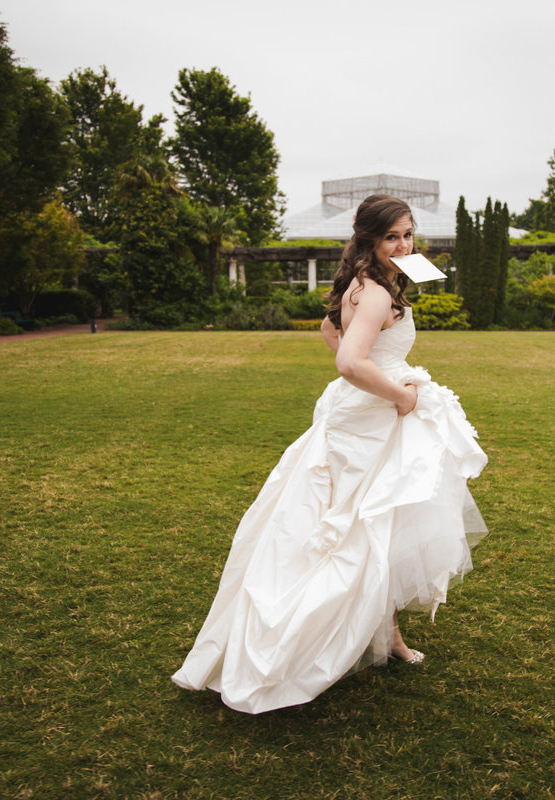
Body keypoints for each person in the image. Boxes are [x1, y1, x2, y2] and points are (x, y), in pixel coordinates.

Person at [171, 194, 487, 714]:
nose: (403, 245)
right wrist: (401, 394)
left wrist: (379, 370)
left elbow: (330, 333)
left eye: (408, 234)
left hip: (358, 414)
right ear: (370, 240)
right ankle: (303, 641)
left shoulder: (364, 285)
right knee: (357, 531)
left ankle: (388, 637)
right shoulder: (378, 294)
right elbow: (348, 361)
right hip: (368, 420)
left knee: (376, 528)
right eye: (392, 237)